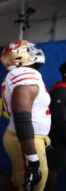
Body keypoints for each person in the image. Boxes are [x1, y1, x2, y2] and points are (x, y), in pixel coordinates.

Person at [1, 40, 51, 191]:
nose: (34, 51)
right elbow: (22, 118)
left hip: (27, 137)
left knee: (19, 180)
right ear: (18, 55)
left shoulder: (22, 73)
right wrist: (33, 159)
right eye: (29, 49)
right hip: (26, 138)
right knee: (34, 184)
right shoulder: (25, 73)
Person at [45, 62, 66, 191]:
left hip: (61, 138)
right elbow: (60, 119)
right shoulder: (60, 90)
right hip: (58, 139)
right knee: (54, 168)